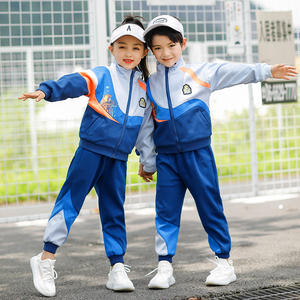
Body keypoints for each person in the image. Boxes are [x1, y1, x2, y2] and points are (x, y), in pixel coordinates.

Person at [139, 14, 298, 289]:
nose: (165, 53)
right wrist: (148, 161)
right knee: (165, 212)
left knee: (210, 207)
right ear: (151, 51)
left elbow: (236, 72)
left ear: (183, 43)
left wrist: (268, 71)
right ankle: (164, 266)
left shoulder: (203, 72)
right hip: (167, 159)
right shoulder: (149, 84)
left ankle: (224, 263)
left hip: (198, 154)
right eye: (158, 48)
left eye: (171, 45)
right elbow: (145, 127)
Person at [19, 16, 156, 297]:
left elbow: (145, 131)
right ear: (111, 49)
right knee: (69, 203)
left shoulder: (145, 89)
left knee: (114, 212)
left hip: (118, 160)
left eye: (135, 48)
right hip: (90, 153)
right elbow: (72, 83)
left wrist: (147, 160)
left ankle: (117, 267)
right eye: (122, 47)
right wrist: (46, 91)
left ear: (143, 53)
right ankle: (45, 259)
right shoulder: (100, 75)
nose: (128, 53)